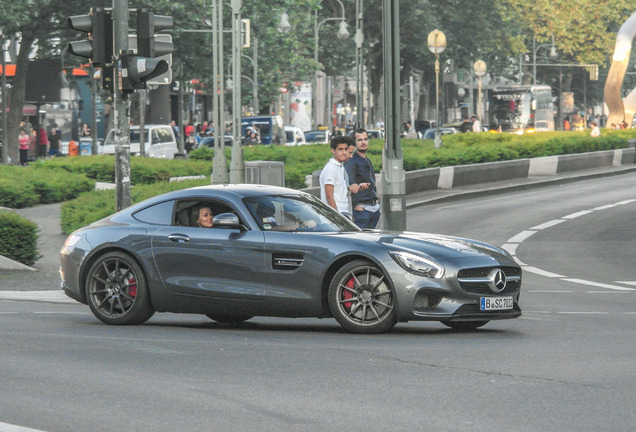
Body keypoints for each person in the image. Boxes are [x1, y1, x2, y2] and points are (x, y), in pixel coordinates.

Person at [345, 128, 381, 229]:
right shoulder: (352, 161)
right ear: (354, 142)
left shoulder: (366, 159)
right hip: (362, 210)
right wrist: (356, 205)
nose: (363, 142)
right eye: (360, 140)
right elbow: (350, 183)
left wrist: (377, 203)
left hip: (373, 207)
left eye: (365, 139)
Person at [320, 135, 356, 218]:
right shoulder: (330, 168)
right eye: (340, 149)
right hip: (336, 215)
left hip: (345, 212)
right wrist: (337, 218)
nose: (344, 152)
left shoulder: (340, 167)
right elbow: (329, 196)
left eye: (346, 149)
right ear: (333, 151)